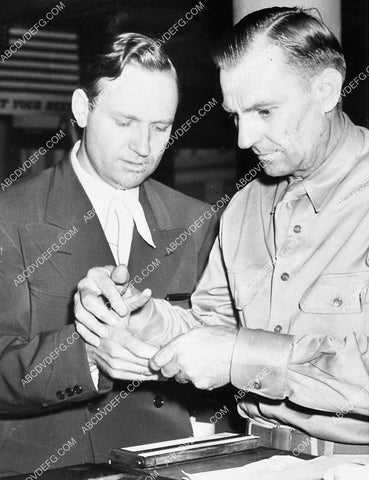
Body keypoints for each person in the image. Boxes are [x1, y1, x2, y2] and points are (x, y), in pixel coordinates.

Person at [75, 7, 369, 458]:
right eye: (235, 116)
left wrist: (241, 357)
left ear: (327, 90)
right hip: (258, 456)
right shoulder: (245, 205)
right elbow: (214, 326)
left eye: (264, 111)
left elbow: (235, 349)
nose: (244, 138)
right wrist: (144, 320)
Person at [0, 32, 219, 476]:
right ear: (83, 109)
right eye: (125, 122)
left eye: (161, 128)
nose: (144, 147)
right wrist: (90, 356)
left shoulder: (200, 220)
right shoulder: (10, 216)